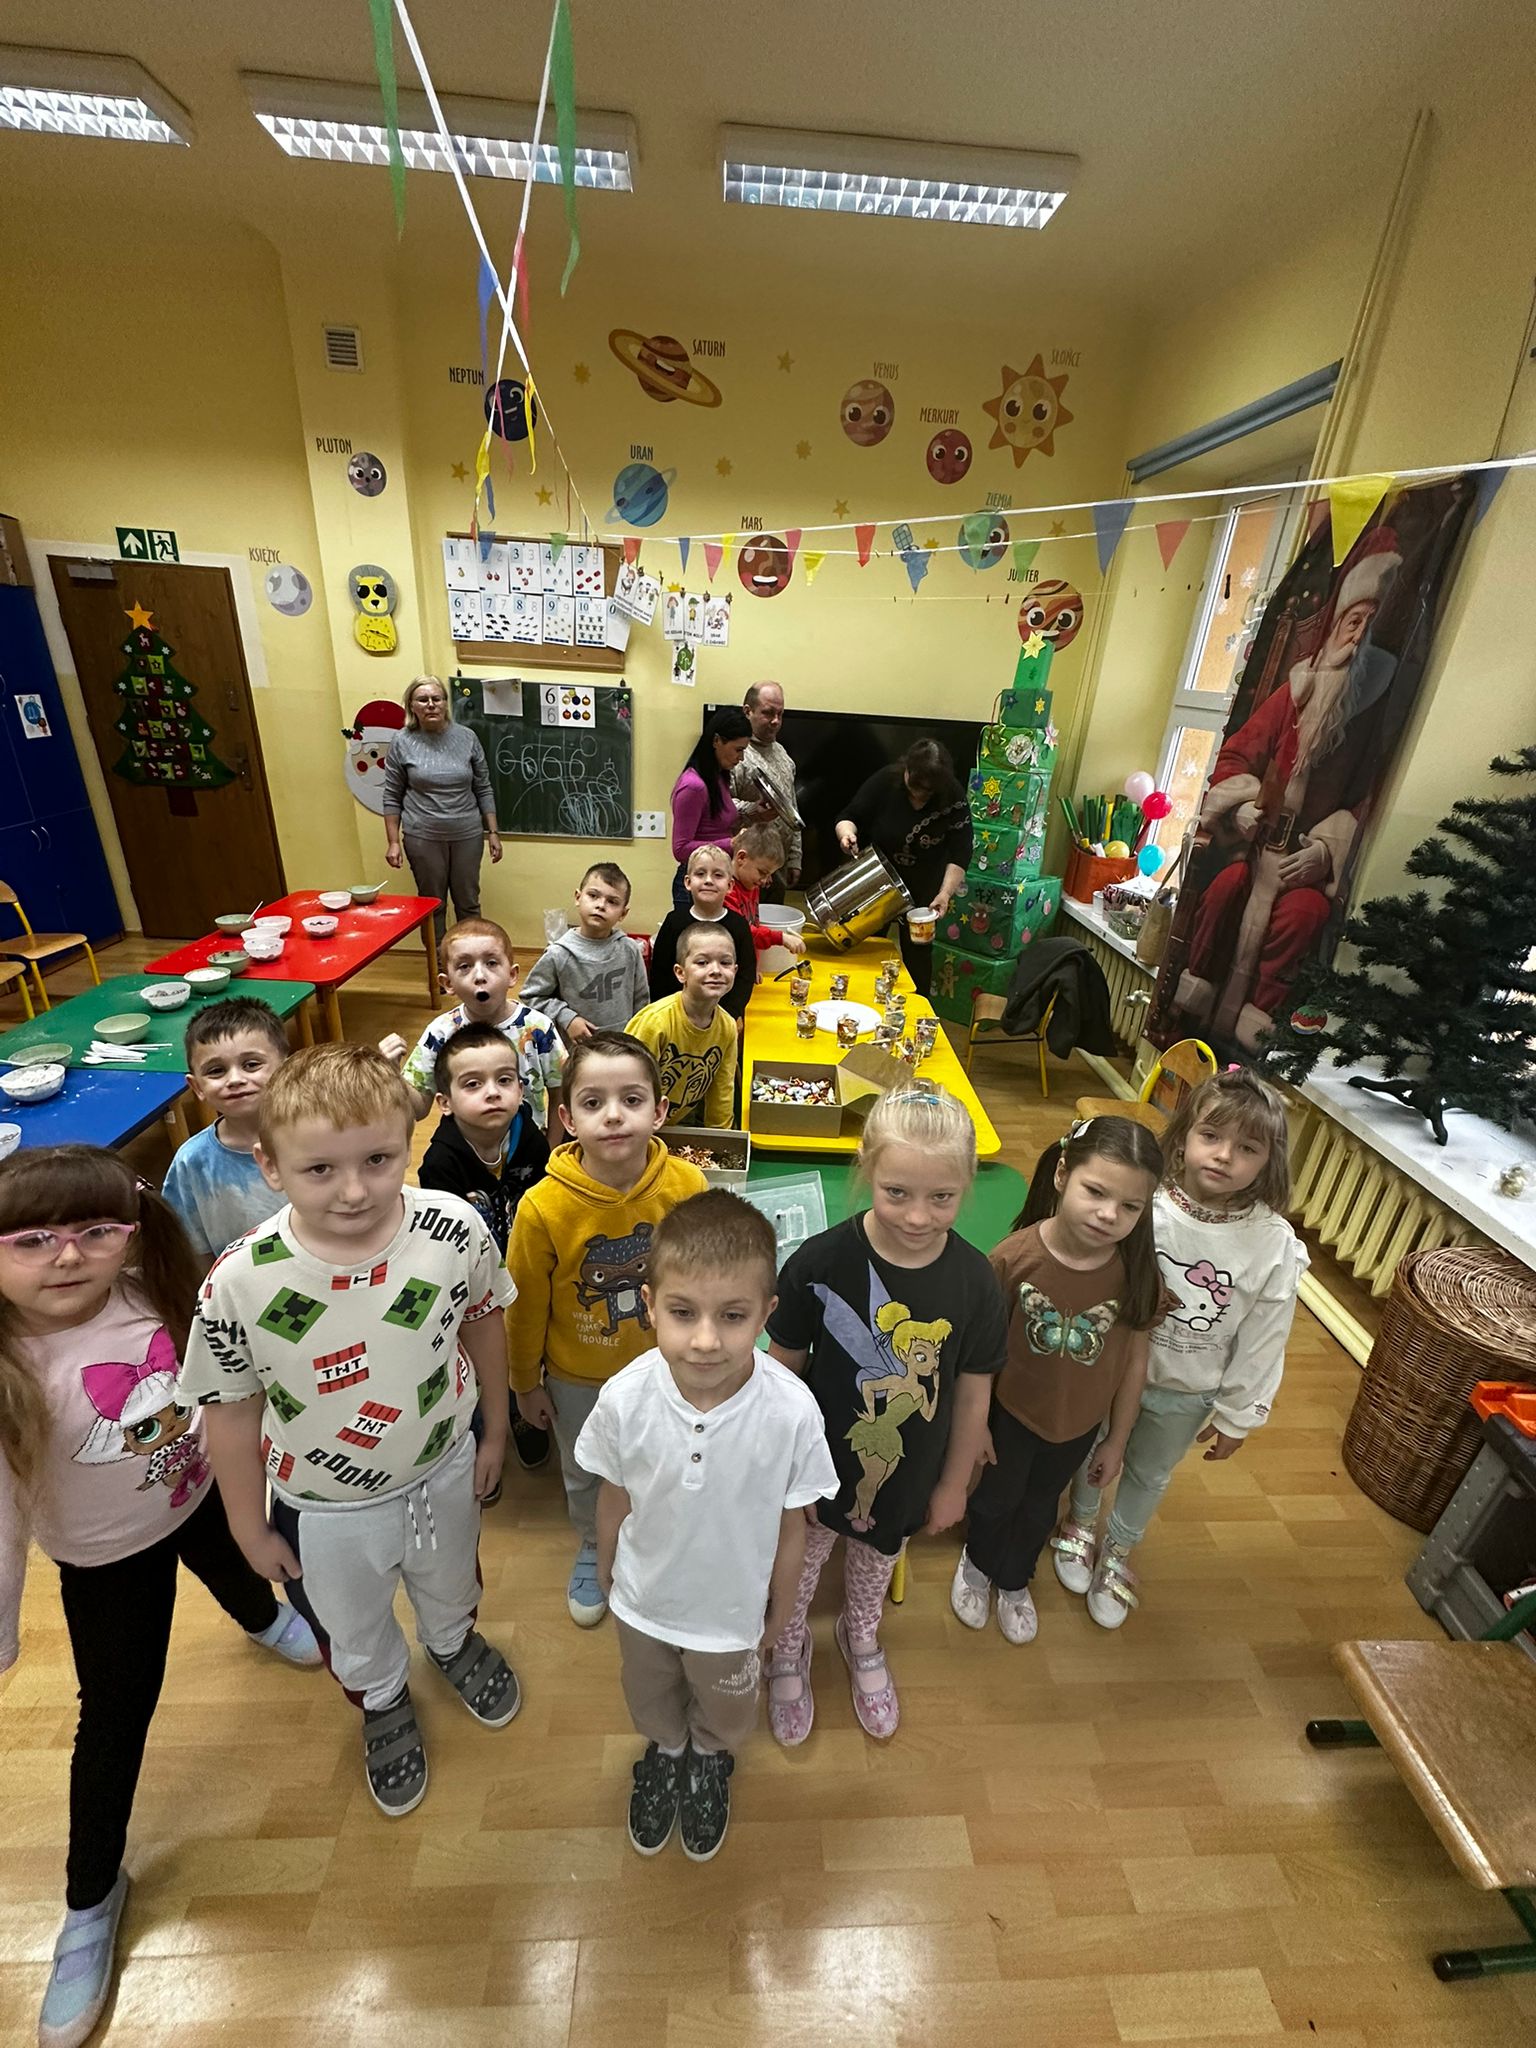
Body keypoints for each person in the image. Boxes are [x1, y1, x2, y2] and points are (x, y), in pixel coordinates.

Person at [0, 1146, 319, 2048]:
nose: (67, 1256)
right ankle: (90, 1897)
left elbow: (228, 1390)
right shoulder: (10, 1367)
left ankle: (264, 1620)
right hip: (105, 1564)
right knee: (115, 1716)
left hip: (200, 1497)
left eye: (94, 1232)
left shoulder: (161, 1292)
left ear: (132, 1235)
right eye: (32, 1240)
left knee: (243, 1573)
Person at [180, 1045, 520, 1820]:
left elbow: (482, 1320)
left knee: (451, 1581)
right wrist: (246, 1525)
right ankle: (382, 1697)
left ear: (409, 1138)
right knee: (351, 1623)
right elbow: (229, 1410)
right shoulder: (239, 1281)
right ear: (271, 1165)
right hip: (322, 1505)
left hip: (444, 1466)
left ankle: (451, 1642)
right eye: (320, 1169)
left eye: (378, 1159)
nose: (356, 1190)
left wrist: (495, 1430)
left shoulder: (453, 1228)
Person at [576, 1191, 837, 1861]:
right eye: (683, 1312)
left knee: (724, 1708)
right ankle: (666, 1751)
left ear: (767, 1314)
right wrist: (605, 1565)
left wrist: (783, 1606)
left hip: (731, 1616)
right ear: (650, 1304)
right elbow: (614, 1494)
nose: (705, 1340)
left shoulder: (792, 1412)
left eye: (733, 1316)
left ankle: (710, 1757)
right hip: (644, 1602)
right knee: (650, 1694)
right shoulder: (625, 1399)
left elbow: (792, 1524)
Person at [763, 1086, 1007, 1744]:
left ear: (966, 1185)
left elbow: (973, 1393)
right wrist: (784, 1473)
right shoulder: (819, 1261)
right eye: (897, 1192)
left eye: (942, 1197)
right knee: (799, 1563)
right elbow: (780, 1377)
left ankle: (861, 1632)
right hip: (814, 1469)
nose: (919, 1216)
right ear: (866, 1168)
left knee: (875, 1560)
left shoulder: (975, 1282)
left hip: (907, 1471)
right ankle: (787, 1640)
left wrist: (954, 1484)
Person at [1055, 1071, 1306, 1628]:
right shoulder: (1142, 1203)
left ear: (1269, 1161)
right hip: (1111, 1370)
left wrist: (1239, 1414)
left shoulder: (1271, 1243)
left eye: (1247, 1148)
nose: (1224, 1156)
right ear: (1185, 1134)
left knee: (1149, 1473)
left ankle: (1118, 1550)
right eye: (1211, 1136)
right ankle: (1079, 1523)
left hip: (1188, 1389)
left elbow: (1265, 1336)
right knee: (1090, 1447)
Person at [507, 1031, 708, 1627]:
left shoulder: (688, 1187)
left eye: (632, 1099)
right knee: (587, 1469)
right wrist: (524, 1383)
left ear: (660, 1111)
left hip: (670, 1371)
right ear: (567, 1119)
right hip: (579, 1378)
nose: (614, 1115)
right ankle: (596, 1545)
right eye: (594, 1103)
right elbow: (524, 1307)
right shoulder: (542, 1207)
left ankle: (662, 1538)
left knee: (667, 1458)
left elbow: (707, 1281)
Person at [1175, 531, 1404, 1050]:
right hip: (1252, 846)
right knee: (1225, 889)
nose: (1357, 637)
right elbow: (1236, 756)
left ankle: (1255, 1024)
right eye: (1352, 621)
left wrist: (1326, 850)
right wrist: (1240, 807)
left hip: (1301, 859)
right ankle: (1195, 1001)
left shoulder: (1372, 716)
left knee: (1305, 915)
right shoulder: (1293, 693)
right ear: (1337, 626)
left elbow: (1367, 799)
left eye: (1368, 625)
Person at [950, 1117, 1164, 1647]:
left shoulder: (1137, 1275)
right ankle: (978, 1563)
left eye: (1130, 1206)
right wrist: (976, 1425)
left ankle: (1014, 1576)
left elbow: (1133, 1364)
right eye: (1096, 1192)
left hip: (1078, 1427)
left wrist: (1117, 1439)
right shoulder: (1012, 1259)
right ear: (1063, 1174)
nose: (1109, 1214)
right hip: (1010, 1415)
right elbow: (975, 1356)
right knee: (996, 1499)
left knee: (1041, 1504)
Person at [419, 1022, 552, 1494]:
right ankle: (482, 1423)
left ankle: (521, 1406)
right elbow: (442, 1240)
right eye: (473, 1084)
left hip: (524, 1267)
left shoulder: (530, 1139)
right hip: (471, 1284)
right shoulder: (440, 1162)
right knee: (479, 1355)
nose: (492, 1093)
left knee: (527, 1340)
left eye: (505, 1080)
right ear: (445, 1102)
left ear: (521, 1089)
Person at [387, 917, 565, 1131]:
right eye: (464, 966)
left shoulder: (539, 1028)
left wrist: (551, 1147)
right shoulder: (440, 1032)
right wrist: (391, 1074)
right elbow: (418, 1109)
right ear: (448, 983)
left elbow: (560, 1094)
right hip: (463, 1148)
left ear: (512, 975)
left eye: (491, 963)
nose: (480, 976)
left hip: (529, 1145)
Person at [834, 738, 972, 997]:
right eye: (915, 787)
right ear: (906, 769)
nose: (920, 796)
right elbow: (848, 817)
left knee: (918, 958)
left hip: (925, 888)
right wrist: (846, 835)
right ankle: (859, 1003)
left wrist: (945, 893)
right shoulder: (886, 780)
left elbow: (961, 851)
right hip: (878, 881)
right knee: (867, 947)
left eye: (928, 792)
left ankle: (916, 1011)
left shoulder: (952, 795)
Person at [162, 997, 290, 1266]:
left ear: (286, 1069)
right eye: (216, 1071)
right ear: (197, 1087)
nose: (235, 1080)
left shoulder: (321, 1139)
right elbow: (192, 1249)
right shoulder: (192, 1161)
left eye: (251, 1064)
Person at [381, 676, 502, 950]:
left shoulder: (467, 737)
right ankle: (438, 965)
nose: (431, 705)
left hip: (467, 834)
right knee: (432, 904)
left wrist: (493, 832)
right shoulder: (401, 741)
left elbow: (483, 787)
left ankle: (469, 959)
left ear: (446, 703)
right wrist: (393, 841)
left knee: (468, 902)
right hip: (423, 836)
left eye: (437, 699)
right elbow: (392, 795)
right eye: (423, 700)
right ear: (412, 706)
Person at [521, 861, 649, 1043]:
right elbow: (531, 995)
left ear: (623, 913)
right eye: (593, 895)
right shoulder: (559, 954)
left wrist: (638, 1038)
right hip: (578, 1048)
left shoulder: (630, 949)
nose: (601, 905)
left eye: (612, 902)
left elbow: (641, 1000)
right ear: (578, 897)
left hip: (622, 1045)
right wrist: (567, 1018)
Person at [627, 922, 738, 1130]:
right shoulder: (655, 1022)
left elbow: (722, 1090)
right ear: (681, 973)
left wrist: (720, 1137)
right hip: (632, 1126)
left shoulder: (727, 1027)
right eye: (702, 962)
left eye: (725, 962)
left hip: (673, 1127)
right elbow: (625, 1087)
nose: (715, 970)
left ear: (735, 970)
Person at [647, 844, 757, 1026]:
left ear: (730, 885)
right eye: (700, 874)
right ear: (687, 882)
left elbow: (746, 974)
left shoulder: (739, 925)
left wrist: (733, 1012)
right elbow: (660, 973)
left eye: (718, 875)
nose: (708, 880)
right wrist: (667, 1013)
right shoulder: (674, 922)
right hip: (678, 1017)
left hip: (723, 1018)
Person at [668, 707, 753, 913]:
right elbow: (680, 849)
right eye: (738, 749)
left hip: (716, 877)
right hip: (695, 884)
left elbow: (716, 823)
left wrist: (757, 813)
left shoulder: (717, 776)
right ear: (716, 741)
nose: (741, 758)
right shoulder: (693, 786)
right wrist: (731, 843)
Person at [730, 682, 802, 891]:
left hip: (776, 868)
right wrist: (753, 810)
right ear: (748, 711)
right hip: (743, 871)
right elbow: (721, 806)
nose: (775, 721)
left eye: (780, 714)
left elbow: (791, 808)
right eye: (768, 713)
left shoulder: (783, 754)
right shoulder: (735, 754)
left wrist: (794, 857)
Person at [726, 822, 806, 960]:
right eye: (762, 872)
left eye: (769, 875)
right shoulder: (726, 891)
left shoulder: (751, 885)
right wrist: (781, 938)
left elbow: (753, 925)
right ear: (741, 858)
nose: (764, 880)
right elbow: (742, 931)